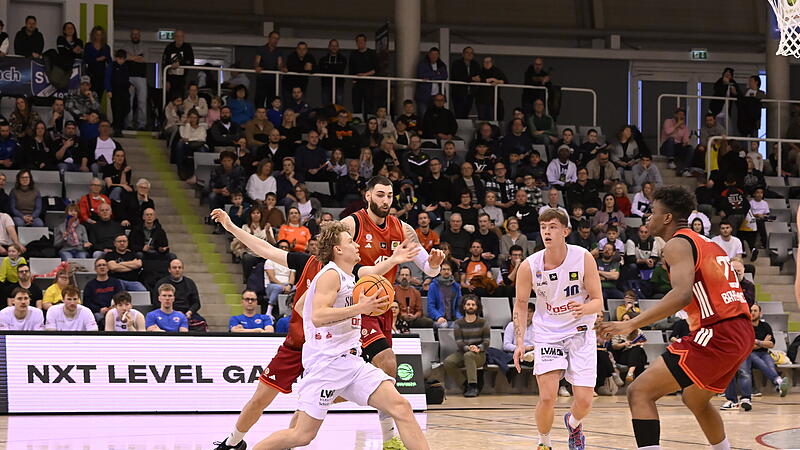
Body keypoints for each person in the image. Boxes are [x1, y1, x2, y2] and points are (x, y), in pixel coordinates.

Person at [210, 207, 419, 450]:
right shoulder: (309, 263)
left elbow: (370, 272)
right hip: (299, 345)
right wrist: (232, 228)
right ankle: (233, 442)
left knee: (380, 374)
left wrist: (394, 260)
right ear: (334, 246)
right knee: (260, 399)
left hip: (328, 349)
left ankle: (382, 436)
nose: (353, 243)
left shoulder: (349, 273)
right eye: (348, 239)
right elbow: (265, 250)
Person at [597, 185, 753, 450]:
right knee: (695, 399)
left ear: (667, 217)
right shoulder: (709, 244)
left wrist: (631, 322)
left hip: (717, 331)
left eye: (653, 213)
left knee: (640, 392)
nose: (648, 218)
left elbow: (681, 295)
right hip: (741, 330)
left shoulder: (677, 244)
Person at [339, 176, 445, 446]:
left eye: (389, 195)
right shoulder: (351, 224)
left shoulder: (404, 229)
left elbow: (428, 268)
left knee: (379, 374)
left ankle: (314, 397)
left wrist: (433, 263)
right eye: (380, 195)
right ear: (368, 196)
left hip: (383, 306)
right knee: (387, 362)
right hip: (355, 306)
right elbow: (333, 261)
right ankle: (390, 440)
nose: (386, 200)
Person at [512, 208, 604, 450]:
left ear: (565, 231)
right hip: (548, 334)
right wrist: (520, 342)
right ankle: (544, 443)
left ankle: (573, 424)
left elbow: (598, 301)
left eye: (552, 227)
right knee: (547, 396)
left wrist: (584, 309)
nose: (547, 232)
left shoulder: (583, 257)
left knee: (584, 401)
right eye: (543, 227)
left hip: (581, 331)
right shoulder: (529, 266)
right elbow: (521, 305)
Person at [721, 303, 790, 411]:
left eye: (755, 311)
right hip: (743, 352)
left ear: (760, 313)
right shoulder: (743, 325)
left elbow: (771, 344)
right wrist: (761, 343)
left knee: (757, 368)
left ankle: (746, 399)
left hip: (761, 353)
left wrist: (757, 342)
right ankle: (778, 381)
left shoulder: (764, 326)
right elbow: (747, 344)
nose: (752, 313)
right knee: (748, 367)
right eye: (751, 311)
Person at [443, 295, 490, 397]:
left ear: (477, 307)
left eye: (473, 305)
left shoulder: (483, 322)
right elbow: (459, 342)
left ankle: (473, 385)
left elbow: (486, 341)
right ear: (464, 307)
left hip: (479, 354)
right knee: (448, 362)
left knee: (469, 356)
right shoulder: (458, 323)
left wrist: (478, 348)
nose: (471, 306)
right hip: (463, 351)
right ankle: (465, 384)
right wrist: (468, 348)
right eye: (468, 304)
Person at [120, 29, 148, 130]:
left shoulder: (145, 46)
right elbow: (123, 57)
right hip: (128, 77)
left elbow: (144, 59)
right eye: (133, 34)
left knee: (142, 101)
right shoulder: (125, 45)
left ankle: (142, 124)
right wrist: (137, 57)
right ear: (130, 35)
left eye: (137, 34)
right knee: (128, 101)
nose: (135, 36)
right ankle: (128, 124)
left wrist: (130, 57)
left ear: (139, 35)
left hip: (141, 77)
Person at [83, 258, 123, 323]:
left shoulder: (115, 282)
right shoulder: (90, 285)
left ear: (107, 268)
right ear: (95, 269)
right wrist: (99, 309)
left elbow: (121, 297)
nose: (102, 267)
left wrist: (113, 308)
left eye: (104, 265)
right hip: (98, 313)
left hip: (114, 310)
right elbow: (87, 303)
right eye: (99, 265)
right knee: (99, 317)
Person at [349, 34, 378, 114]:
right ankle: (357, 121)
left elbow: (376, 69)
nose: (360, 43)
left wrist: (365, 75)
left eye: (362, 41)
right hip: (357, 83)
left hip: (369, 83)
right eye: (358, 41)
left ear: (365, 42)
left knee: (368, 104)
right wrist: (354, 79)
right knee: (356, 103)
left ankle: (368, 121)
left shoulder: (372, 53)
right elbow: (351, 69)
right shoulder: (353, 54)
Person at [162, 30, 194, 101]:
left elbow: (191, 61)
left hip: (183, 79)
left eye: (181, 36)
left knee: (181, 98)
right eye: (177, 36)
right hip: (171, 78)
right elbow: (164, 64)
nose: (179, 38)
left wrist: (180, 64)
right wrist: (166, 80)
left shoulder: (187, 47)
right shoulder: (169, 47)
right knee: (169, 98)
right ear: (174, 37)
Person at [106, 49, 131, 136]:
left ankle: (117, 124)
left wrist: (129, 85)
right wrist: (109, 90)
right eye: (119, 58)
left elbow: (126, 78)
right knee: (117, 110)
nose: (121, 61)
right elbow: (108, 78)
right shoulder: (112, 66)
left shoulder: (126, 66)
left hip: (124, 91)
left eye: (122, 59)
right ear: (116, 58)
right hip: (115, 91)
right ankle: (117, 129)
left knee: (126, 108)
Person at [318, 39, 347, 105]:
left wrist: (328, 67)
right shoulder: (323, 59)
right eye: (332, 46)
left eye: (336, 46)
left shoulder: (343, 59)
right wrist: (334, 68)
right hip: (326, 85)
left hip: (339, 85)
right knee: (325, 104)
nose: (334, 47)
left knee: (339, 105)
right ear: (329, 47)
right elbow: (321, 69)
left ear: (338, 47)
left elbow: (340, 69)